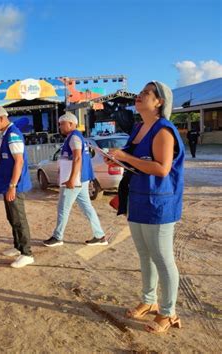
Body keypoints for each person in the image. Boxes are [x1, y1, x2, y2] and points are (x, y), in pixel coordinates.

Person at [106, 81, 184, 334]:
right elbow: (135, 161)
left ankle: (169, 312)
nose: (139, 96)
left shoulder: (163, 130)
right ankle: (149, 300)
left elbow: (161, 168)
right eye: (140, 93)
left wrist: (126, 157)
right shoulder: (139, 128)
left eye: (146, 93)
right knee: (144, 255)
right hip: (138, 198)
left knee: (163, 258)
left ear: (159, 102)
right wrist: (116, 157)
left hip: (159, 202)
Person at [43, 112, 107, 247]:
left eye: (62, 124)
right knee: (87, 208)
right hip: (80, 179)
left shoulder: (74, 138)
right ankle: (100, 236)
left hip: (74, 180)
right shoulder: (75, 137)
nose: (60, 126)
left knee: (63, 208)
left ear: (71, 124)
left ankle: (57, 236)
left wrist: (72, 179)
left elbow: (78, 158)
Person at [0, 106, 34, 268]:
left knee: (19, 219)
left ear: (0, 118)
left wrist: (13, 185)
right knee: (12, 217)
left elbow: (19, 161)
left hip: (14, 185)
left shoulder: (13, 134)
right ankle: (18, 246)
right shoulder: (5, 134)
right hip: (8, 184)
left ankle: (27, 253)